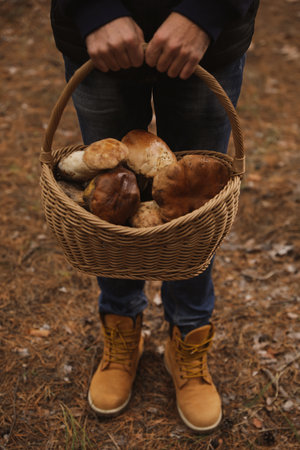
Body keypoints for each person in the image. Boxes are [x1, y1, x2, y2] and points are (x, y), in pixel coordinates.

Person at [50, 0, 259, 432]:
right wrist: (93, 9)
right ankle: (122, 323)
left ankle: (188, 334)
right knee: (108, 208)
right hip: (98, 39)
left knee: (195, 207)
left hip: (207, 41)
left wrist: (208, 12)